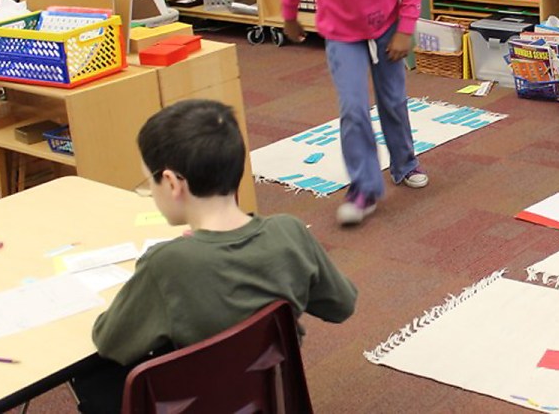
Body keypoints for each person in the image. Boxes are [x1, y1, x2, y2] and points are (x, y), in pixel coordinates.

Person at [70, 100, 357, 413]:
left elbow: (110, 342)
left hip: (196, 404)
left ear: (171, 183)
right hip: (270, 398)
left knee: (91, 376)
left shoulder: (166, 264)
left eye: (149, 183)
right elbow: (341, 305)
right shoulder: (290, 231)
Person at [281, 0, 428, 226]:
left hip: (386, 31)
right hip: (341, 35)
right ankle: (364, 187)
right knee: (353, 108)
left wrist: (405, 29)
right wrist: (289, 15)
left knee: (392, 102)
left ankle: (404, 163)